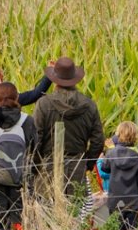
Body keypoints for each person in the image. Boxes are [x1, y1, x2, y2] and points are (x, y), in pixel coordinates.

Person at [32, 57, 106, 199]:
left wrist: (36, 166)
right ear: (74, 79)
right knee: (76, 215)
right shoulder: (89, 105)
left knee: (48, 215)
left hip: (48, 169)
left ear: (55, 80)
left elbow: (36, 139)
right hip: (76, 169)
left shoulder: (43, 104)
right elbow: (98, 141)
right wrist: (86, 164)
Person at [0, 82, 37, 230]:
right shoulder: (27, 121)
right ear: (17, 98)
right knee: (18, 223)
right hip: (19, 182)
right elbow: (34, 151)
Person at [98, 121, 138, 230]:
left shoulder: (111, 153)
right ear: (135, 137)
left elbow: (105, 168)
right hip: (133, 200)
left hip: (114, 200)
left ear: (118, 135)